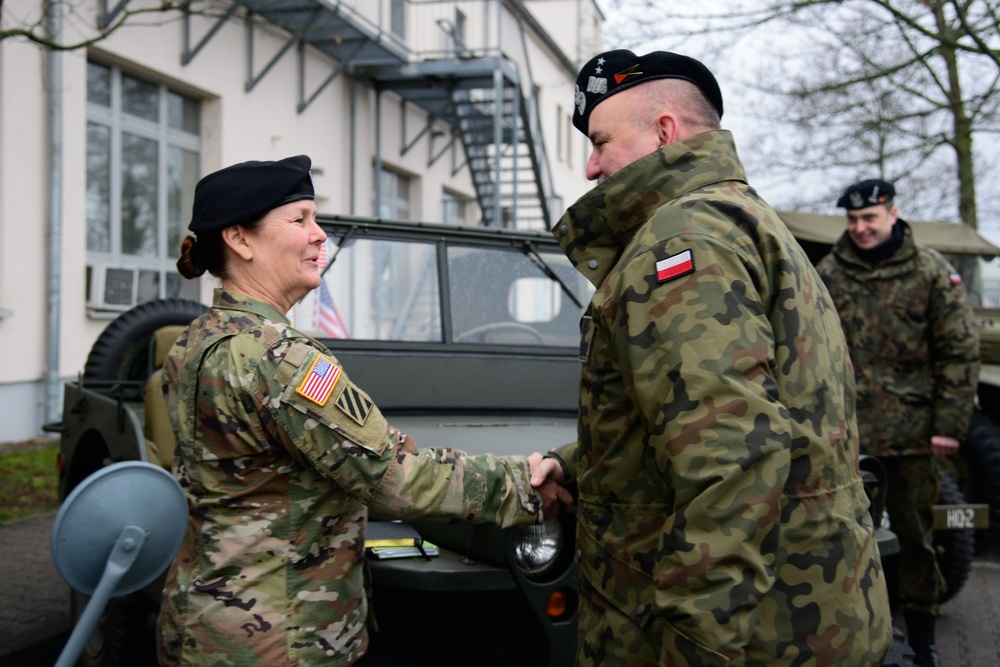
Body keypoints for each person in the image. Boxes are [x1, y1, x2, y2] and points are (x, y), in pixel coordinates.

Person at [530, 49, 893, 665]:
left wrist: (696, 647)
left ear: (665, 132)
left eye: (600, 141)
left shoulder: (682, 243)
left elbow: (733, 461)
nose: (591, 167)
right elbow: (752, 423)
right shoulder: (745, 222)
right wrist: (581, 464)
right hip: (809, 616)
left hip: (755, 636)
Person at [156, 155, 569, 666]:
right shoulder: (280, 358)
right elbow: (392, 476)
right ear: (240, 239)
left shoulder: (196, 340)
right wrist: (521, 484)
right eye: (300, 219)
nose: (318, 234)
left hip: (204, 623)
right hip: (280, 639)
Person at [816, 179, 980, 667]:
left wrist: (948, 424)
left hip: (911, 433)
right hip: (846, 436)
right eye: (853, 221)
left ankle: (924, 637)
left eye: (870, 218)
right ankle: (846, 631)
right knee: (841, 536)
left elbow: (958, 350)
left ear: (893, 213)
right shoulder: (828, 273)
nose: (861, 229)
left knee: (915, 538)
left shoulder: (930, 272)